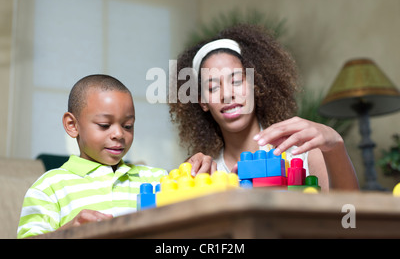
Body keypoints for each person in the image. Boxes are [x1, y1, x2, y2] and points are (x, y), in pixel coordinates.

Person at [168, 24, 359, 191]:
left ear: (255, 84)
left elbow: (349, 220)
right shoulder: (207, 175)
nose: (227, 94)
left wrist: (335, 146)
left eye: (236, 80)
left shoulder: (303, 153)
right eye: (213, 87)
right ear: (203, 102)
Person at [17, 74, 167, 238]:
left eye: (127, 126)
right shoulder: (49, 187)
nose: (119, 133)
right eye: (104, 125)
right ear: (72, 125)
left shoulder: (157, 178)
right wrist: (67, 233)